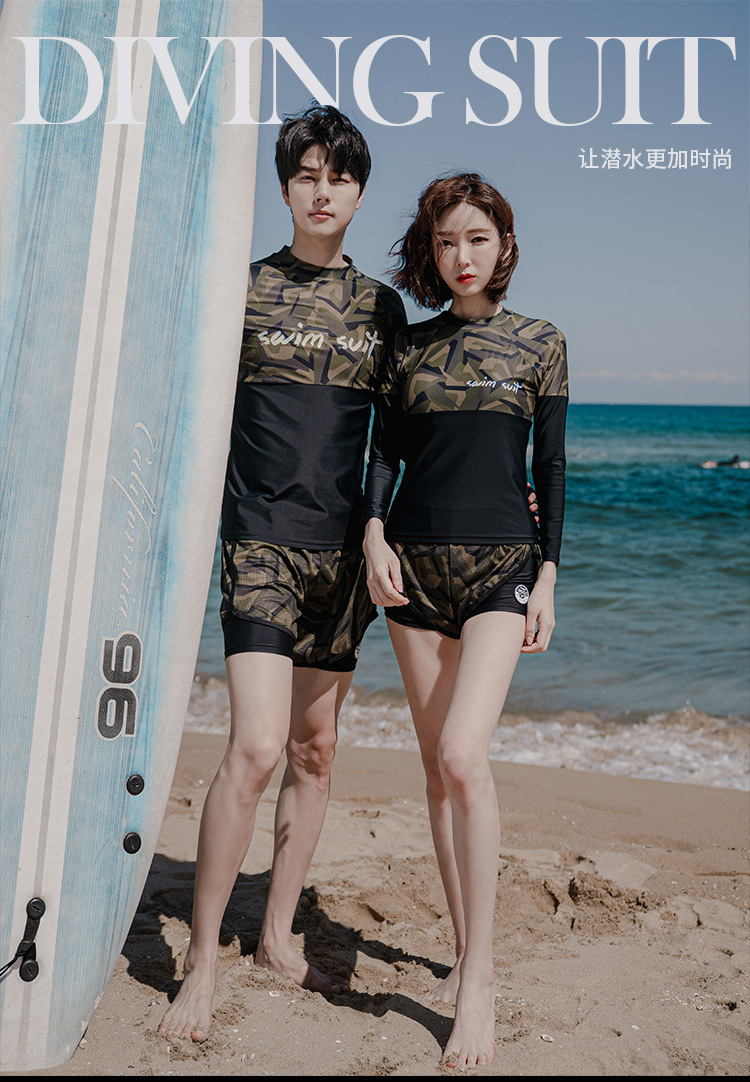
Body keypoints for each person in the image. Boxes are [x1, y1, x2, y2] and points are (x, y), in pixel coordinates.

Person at [158, 105, 407, 1041]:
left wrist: (383, 529)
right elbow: (194, 412)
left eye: (338, 178)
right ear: (285, 187)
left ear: (359, 192)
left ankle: (274, 936)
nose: (321, 192)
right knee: (257, 747)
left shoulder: (381, 308)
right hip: (259, 539)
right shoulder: (247, 288)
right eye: (306, 176)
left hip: (341, 555)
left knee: (315, 750)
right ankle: (200, 959)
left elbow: (390, 441)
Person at [362, 173, 568, 1070]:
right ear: (431, 250)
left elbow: (551, 466)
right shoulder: (407, 348)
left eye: (477, 238)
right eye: (447, 241)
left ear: (504, 246)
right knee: (435, 774)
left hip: (501, 569)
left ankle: (478, 979)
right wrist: (373, 531)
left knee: (460, 754)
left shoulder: (542, 344)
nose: (462, 255)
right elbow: (383, 456)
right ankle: (460, 949)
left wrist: (549, 573)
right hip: (412, 571)